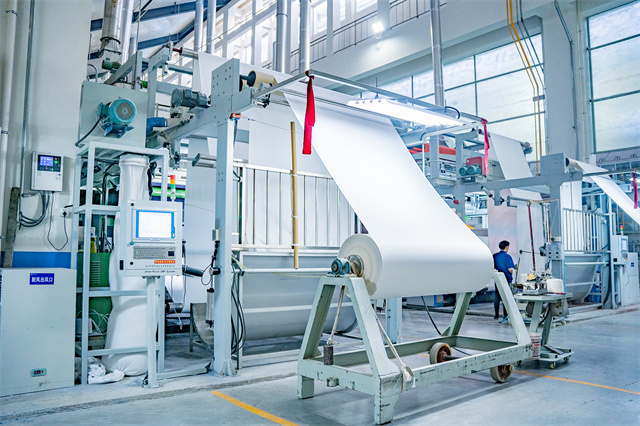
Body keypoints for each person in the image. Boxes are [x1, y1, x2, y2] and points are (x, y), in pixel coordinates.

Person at [493, 240, 515, 320]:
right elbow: (510, 269)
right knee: (506, 297)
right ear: (507, 247)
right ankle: (505, 315)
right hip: (506, 279)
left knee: (497, 296)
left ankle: (496, 315)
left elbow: (493, 267)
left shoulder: (494, 256)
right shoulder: (507, 257)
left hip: (498, 279)